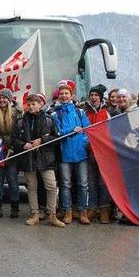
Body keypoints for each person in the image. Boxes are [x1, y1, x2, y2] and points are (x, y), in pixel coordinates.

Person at [12, 93, 65, 227]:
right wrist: (23, 144)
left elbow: (56, 138)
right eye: (28, 104)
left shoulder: (49, 119)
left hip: (46, 158)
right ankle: (34, 213)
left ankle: (51, 214)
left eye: (33, 104)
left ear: (40, 105)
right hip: (28, 157)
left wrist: (42, 140)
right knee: (32, 187)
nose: (30, 107)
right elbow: (14, 139)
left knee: (51, 186)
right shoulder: (20, 121)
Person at [53, 80, 90, 225]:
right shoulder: (56, 114)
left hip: (81, 153)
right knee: (65, 184)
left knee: (83, 184)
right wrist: (70, 131)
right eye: (61, 94)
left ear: (71, 95)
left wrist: (83, 142)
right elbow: (57, 132)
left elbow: (88, 130)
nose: (63, 96)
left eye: (66, 93)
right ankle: (67, 211)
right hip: (65, 154)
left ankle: (82, 211)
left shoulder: (80, 112)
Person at [0, 89, 21, 220]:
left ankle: (15, 207)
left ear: (9, 99)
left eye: (4, 98)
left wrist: (13, 146)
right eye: (0, 98)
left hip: (12, 150)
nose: (2, 100)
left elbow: (19, 131)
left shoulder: (16, 113)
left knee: (13, 180)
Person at [83, 84, 112, 223]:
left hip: (104, 152)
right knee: (92, 182)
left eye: (96, 95)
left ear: (100, 97)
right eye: (92, 95)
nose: (94, 97)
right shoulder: (85, 112)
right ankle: (93, 208)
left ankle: (104, 209)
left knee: (103, 182)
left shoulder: (107, 112)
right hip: (89, 151)